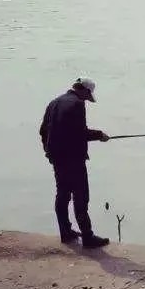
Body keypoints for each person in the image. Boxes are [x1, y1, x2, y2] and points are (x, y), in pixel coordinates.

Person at [40, 77, 112, 249]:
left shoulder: (54, 102)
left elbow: (43, 130)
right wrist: (100, 135)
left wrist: (48, 151)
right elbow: (80, 133)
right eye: (88, 96)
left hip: (57, 158)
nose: (87, 99)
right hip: (73, 158)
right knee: (81, 196)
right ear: (84, 91)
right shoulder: (77, 104)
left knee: (62, 194)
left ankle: (65, 232)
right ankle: (88, 237)